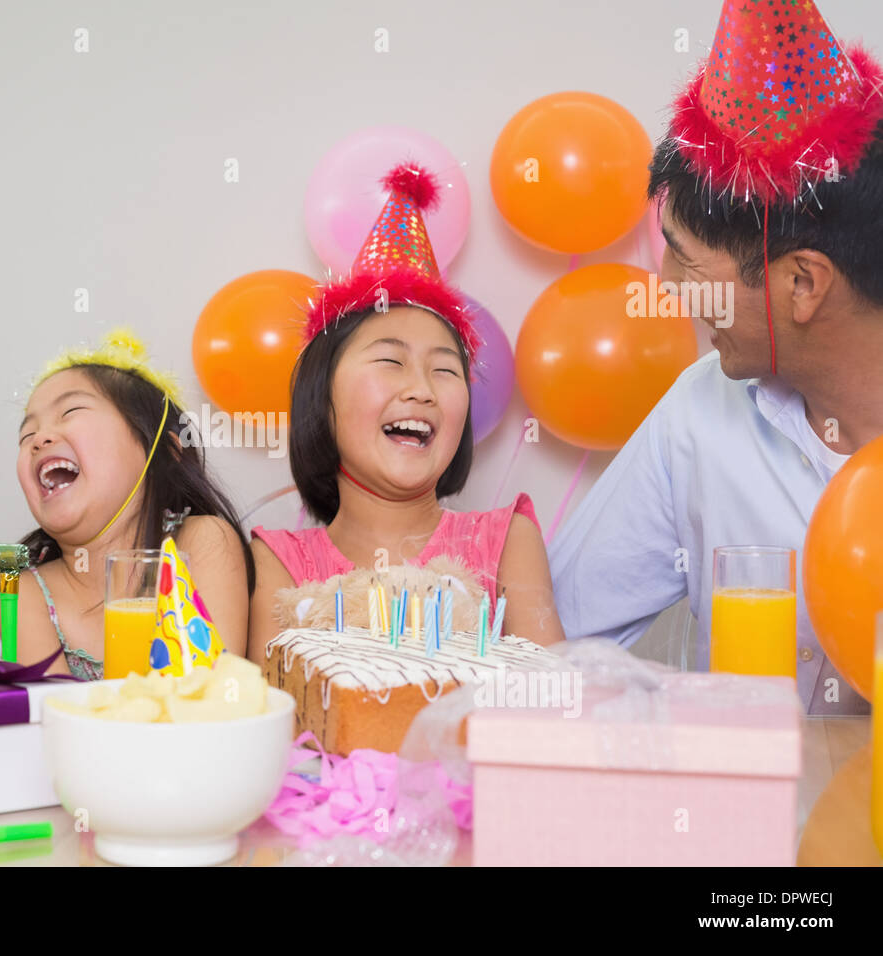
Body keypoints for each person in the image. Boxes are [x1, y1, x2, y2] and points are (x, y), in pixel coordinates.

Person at [549, 0, 883, 714]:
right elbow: (554, 636)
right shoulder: (703, 409)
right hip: (737, 824)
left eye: (685, 261)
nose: (665, 291)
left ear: (802, 284)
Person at [248, 164, 563, 663]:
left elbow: (551, 705)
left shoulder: (505, 544)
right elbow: (276, 722)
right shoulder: (280, 561)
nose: (421, 390)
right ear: (320, 394)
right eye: (390, 361)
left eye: (444, 370)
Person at [0, 331, 252, 678]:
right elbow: (54, 723)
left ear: (164, 452)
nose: (39, 439)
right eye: (26, 435)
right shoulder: (22, 590)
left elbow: (209, 696)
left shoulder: (202, 542)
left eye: (70, 411)